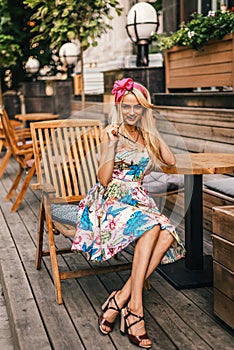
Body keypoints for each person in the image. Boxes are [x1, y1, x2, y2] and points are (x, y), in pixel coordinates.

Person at [71, 77, 185, 349]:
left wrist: (154, 128)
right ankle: (135, 310)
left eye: (138, 107)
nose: (132, 112)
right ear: (119, 107)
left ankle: (120, 299)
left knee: (167, 233)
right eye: (126, 106)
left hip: (138, 199)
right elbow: (103, 179)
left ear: (144, 109)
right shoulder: (110, 132)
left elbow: (170, 161)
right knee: (155, 226)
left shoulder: (146, 135)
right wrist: (109, 145)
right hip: (109, 200)